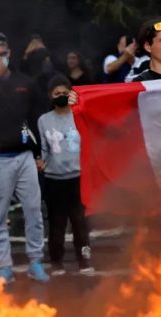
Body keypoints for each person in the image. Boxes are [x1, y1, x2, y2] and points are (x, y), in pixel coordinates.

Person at [0, 32, 49, 283]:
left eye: (2, 54)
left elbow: (35, 119)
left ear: (9, 53)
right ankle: (4, 266)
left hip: (24, 155)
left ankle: (36, 262)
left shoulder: (24, 82)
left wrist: (39, 153)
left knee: (34, 211)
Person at [38, 75, 91, 276]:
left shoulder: (80, 114)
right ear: (50, 96)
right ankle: (57, 263)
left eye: (64, 92)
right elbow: (42, 148)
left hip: (79, 178)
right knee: (56, 224)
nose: (61, 96)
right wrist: (39, 161)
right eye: (56, 93)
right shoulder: (43, 120)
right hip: (54, 180)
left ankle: (84, 261)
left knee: (80, 223)